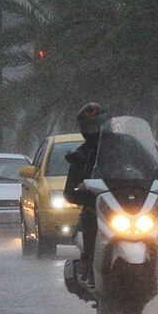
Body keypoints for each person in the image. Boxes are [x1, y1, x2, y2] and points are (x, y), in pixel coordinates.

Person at [63, 102, 107, 281]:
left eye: (99, 125)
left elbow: (146, 165)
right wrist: (82, 191)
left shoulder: (126, 146)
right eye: (90, 126)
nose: (95, 130)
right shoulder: (81, 155)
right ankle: (90, 270)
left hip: (126, 205)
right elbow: (69, 191)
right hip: (97, 210)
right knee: (89, 222)